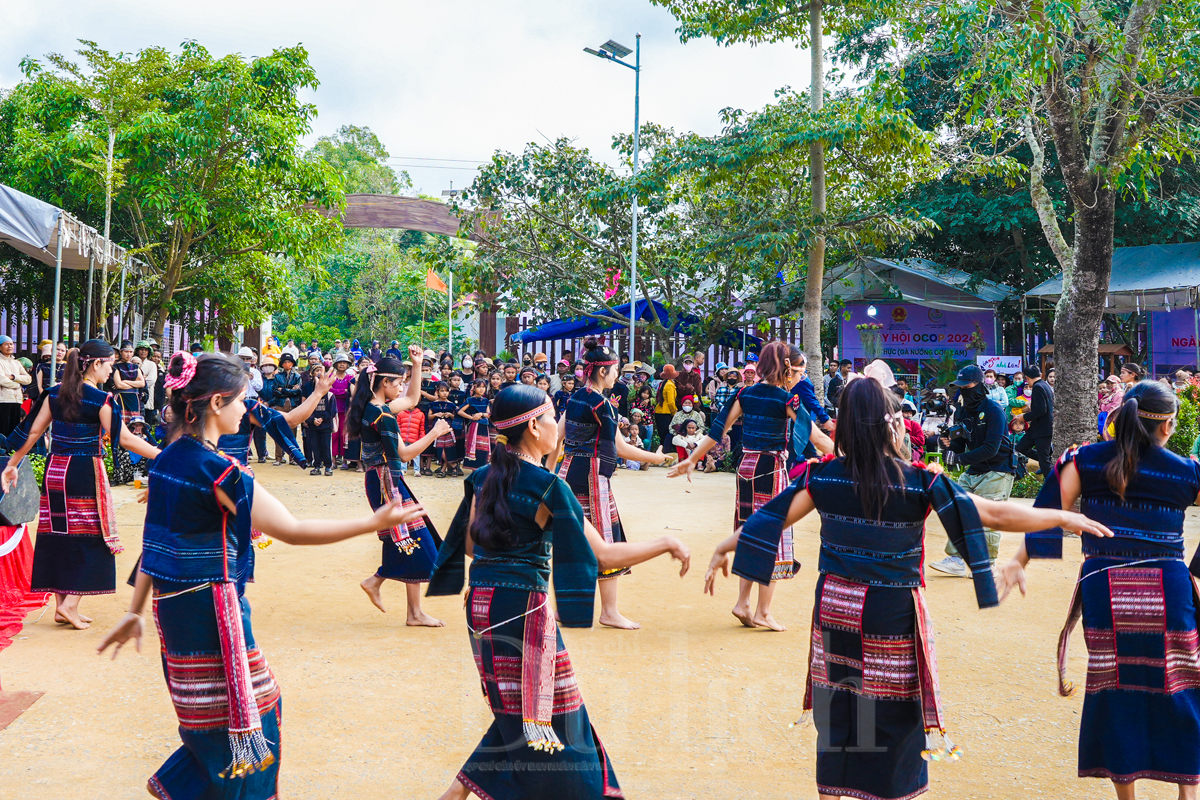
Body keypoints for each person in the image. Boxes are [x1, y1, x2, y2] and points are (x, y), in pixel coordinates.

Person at [703, 375, 1111, 800]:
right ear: (891, 425)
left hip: (837, 608)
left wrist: (724, 546)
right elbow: (995, 515)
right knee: (894, 713)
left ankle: (835, 791)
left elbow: (771, 517)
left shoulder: (824, 476)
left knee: (840, 709)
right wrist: (1061, 517)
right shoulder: (919, 481)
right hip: (891, 610)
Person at [94, 351, 427, 800]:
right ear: (215, 403)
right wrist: (370, 524)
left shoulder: (169, 459)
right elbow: (293, 530)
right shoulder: (223, 471)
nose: (244, 409)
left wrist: (135, 611)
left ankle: (184, 785)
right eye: (240, 400)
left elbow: (154, 543)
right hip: (215, 608)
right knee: (251, 716)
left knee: (207, 714)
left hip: (172, 611)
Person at [427, 384, 689, 800]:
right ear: (533, 426)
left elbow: (473, 546)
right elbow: (602, 555)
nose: (556, 426)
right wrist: (666, 543)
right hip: (523, 610)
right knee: (553, 713)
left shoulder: (482, 476)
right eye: (551, 417)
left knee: (520, 707)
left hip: (480, 606)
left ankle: (456, 793)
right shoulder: (548, 485)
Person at [999, 380, 1200, 799]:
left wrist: (1019, 562)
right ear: (1167, 427)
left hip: (1107, 591)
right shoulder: (1187, 470)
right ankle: (1187, 795)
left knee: (1115, 689)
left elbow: (1051, 513)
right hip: (1168, 591)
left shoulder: (1084, 461)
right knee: (1181, 687)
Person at [1, 339, 160, 629]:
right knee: (92, 534)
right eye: (109, 362)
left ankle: (62, 606)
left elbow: (34, 431)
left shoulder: (54, 393)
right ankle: (71, 604)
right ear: (96, 363)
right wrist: (164, 454)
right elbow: (124, 438)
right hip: (85, 471)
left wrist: (13, 465)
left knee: (59, 532)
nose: (111, 368)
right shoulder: (101, 399)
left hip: (55, 471)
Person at [669, 341, 814, 630]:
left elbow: (716, 431)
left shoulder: (744, 393)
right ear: (787, 370)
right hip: (771, 469)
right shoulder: (786, 400)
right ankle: (763, 611)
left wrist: (692, 459)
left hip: (746, 468)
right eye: (799, 372)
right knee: (772, 537)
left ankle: (743, 603)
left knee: (748, 531)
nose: (801, 378)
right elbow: (813, 436)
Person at [553, 338, 672, 629]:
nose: (619, 374)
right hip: (593, 477)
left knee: (569, 540)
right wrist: (658, 458)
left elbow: (557, 434)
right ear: (604, 372)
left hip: (568, 472)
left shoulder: (577, 396)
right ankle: (609, 611)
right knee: (608, 540)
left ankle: (563, 608)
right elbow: (621, 448)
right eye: (617, 369)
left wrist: (548, 469)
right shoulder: (601, 403)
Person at [348, 349, 450, 626]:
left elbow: (412, 399)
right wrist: (435, 433)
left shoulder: (371, 405)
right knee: (412, 539)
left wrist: (417, 366)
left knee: (407, 538)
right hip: (386, 482)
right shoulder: (383, 415)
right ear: (385, 383)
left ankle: (397, 597)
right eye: (399, 382)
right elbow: (405, 455)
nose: (402, 387)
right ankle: (389, 590)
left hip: (382, 480)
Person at [929, 365, 1018, 577]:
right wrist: (949, 445)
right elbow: (960, 445)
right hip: (975, 468)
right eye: (959, 387)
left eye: (965, 386)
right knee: (957, 509)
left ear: (978, 385)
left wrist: (959, 458)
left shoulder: (995, 411)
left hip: (998, 469)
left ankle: (988, 564)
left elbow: (991, 448)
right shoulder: (961, 410)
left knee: (987, 517)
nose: (961, 390)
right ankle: (957, 560)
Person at [1017, 363, 1055, 477]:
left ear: (1027, 378)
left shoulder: (1038, 387)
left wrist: (1023, 417)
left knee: (1044, 461)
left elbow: (1040, 410)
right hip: (1037, 429)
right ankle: (1049, 461)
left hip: (1042, 429)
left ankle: (1053, 486)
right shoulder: (1045, 385)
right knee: (1020, 448)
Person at [266, 353, 303, 465]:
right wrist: (290, 390)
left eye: (289, 362)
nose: (287, 364)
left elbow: (298, 391)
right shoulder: (277, 376)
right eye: (285, 362)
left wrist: (283, 390)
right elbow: (275, 392)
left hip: (293, 405)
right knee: (279, 430)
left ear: (292, 363)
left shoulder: (297, 376)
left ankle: (292, 457)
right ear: (282, 364)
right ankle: (279, 457)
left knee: (292, 432)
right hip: (280, 404)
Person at [302, 363, 335, 475]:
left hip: (326, 425)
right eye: (316, 371)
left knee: (326, 446)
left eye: (322, 371)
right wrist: (312, 419)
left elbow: (332, 411)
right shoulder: (311, 395)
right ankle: (316, 466)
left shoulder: (330, 395)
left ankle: (328, 466)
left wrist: (321, 418)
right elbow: (306, 408)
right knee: (314, 446)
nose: (319, 374)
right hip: (313, 425)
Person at [428, 382, 460, 477]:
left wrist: (450, 415)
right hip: (438, 429)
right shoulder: (433, 404)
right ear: (437, 392)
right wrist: (435, 415)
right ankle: (453, 466)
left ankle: (443, 470)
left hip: (448, 429)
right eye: (442, 391)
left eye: (446, 391)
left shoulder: (452, 405)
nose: (444, 393)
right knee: (440, 449)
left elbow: (456, 418)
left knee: (448, 449)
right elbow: (429, 416)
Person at [0, 335, 30, 436]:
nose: (10, 346)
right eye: (6, 344)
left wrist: (13, 377)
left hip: (16, 400)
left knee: (14, 429)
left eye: (11, 344)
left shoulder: (16, 363)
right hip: (3, 399)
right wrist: (18, 385)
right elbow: (2, 380)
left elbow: (28, 379)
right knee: (3, 428)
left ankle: (11, 451)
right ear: (0, 347)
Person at [328, 353, 355, 464]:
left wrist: (338, 392)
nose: (342, 365)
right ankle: (333, 459)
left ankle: (344, 460)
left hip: (345, 410)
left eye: (344, 363)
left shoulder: (350, 378)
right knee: (334, 434)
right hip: (333, 410)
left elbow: (351, 392)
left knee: (343, 435)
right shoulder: (331, 377)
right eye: (340, 363)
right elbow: (329, 390)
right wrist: (342, 392)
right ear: (336, 364)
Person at [459, 379, 491, 469]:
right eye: (479, 387)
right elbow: (460, 411)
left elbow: (489, 414)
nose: (481, 389)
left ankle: (481, 467)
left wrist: (481, 414)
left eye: (483, 387)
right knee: (475, 446)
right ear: (474, 388)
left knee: (483, 447)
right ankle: (474, 469)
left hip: (484, 426)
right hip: (474, 426)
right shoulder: (470, 400)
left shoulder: (485, 400)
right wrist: (471, 417)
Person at [653, 364, 679, 453]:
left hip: (659, 411)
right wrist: (674, 412)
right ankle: (664, 453)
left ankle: (660, 453)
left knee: (662, 435)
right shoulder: (670, 385)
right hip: (666, 413)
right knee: (666, 436)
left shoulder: (663, 383)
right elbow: (671, 401)